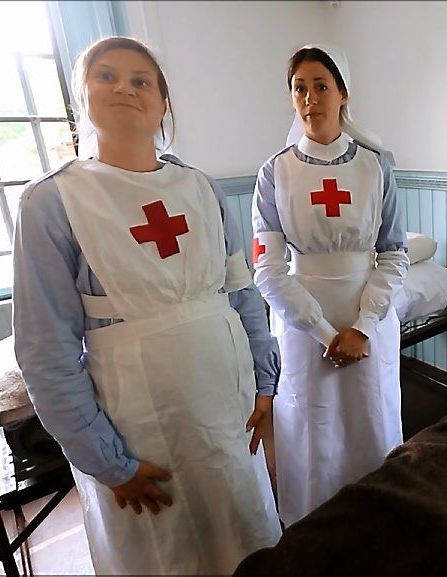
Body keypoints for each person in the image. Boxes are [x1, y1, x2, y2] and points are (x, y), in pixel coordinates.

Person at [13, 36, 281, 574]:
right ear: (80, 96)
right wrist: (107, 463)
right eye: (105, 76)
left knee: (243, 540)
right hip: (134, 423)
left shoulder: (202, 188)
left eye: (142, 81)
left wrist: (264, 380)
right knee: (165, 552)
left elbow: (242, 291)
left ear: (163, 103)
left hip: (224, 403)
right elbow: (46, 350)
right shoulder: (51, 201)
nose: (124, 88)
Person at [252, 44, 409, 525]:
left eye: (321, 85)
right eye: (299, 87)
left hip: (370, 319)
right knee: (311, 427)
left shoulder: (376, 166)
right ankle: (314, 527)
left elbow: (395, 253)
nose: (310, 98)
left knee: (370, 420)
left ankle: (378, 523)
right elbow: (267, 268)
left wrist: (361, 327)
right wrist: (324, 333)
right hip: (303, 326)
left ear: (342, 93)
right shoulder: (273, 173)